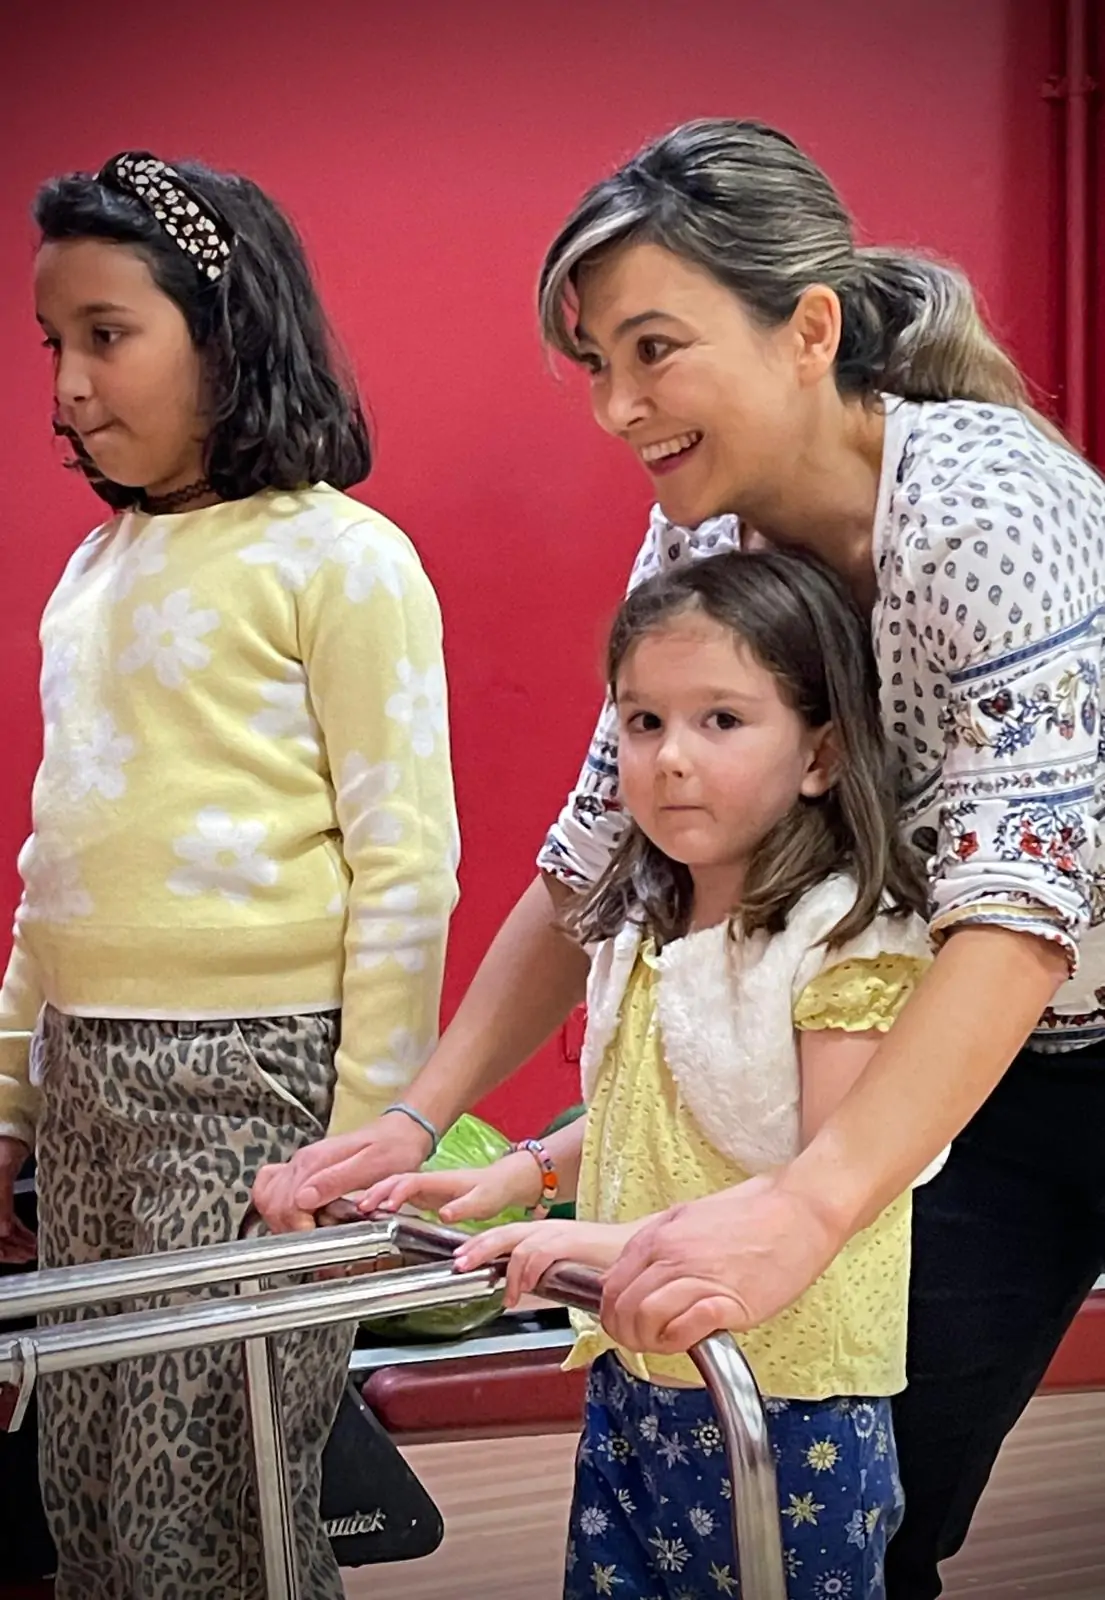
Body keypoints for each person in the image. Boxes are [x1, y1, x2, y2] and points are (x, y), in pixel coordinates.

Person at [254, 119, 1105, 1596]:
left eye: (654, 351)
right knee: (869, 1508)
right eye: (596, 365)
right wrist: (416, 1117)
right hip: (971, 1058)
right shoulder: (700, 543)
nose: (617, 408)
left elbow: (1021, 910)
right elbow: (592, 854)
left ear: (808, 331)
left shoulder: (985, 508)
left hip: (1025, 995)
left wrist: (812, 1200)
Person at [0, 150, 458, 1600]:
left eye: (108, 334)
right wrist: (9, 1100)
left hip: (254, 1090)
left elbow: (407, 864)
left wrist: (370, 1137)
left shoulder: (344, 560)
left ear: (226, 329)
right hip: (85, 1081)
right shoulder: (94, 571)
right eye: (52, 343)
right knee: (82, 1489)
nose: (71, 384)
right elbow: (55, 865)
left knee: (205, 1504)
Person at [361, 548, 935, 1599]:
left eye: (720, 720)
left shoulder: (847, 941)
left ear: (819, 752)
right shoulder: (648, 918)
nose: (670, 757)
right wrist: (527, 1173)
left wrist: (595, 1242)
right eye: (642, 721)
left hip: (787, 1393)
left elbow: (831, 1179)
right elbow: (667, 1112)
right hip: (638, 1364)